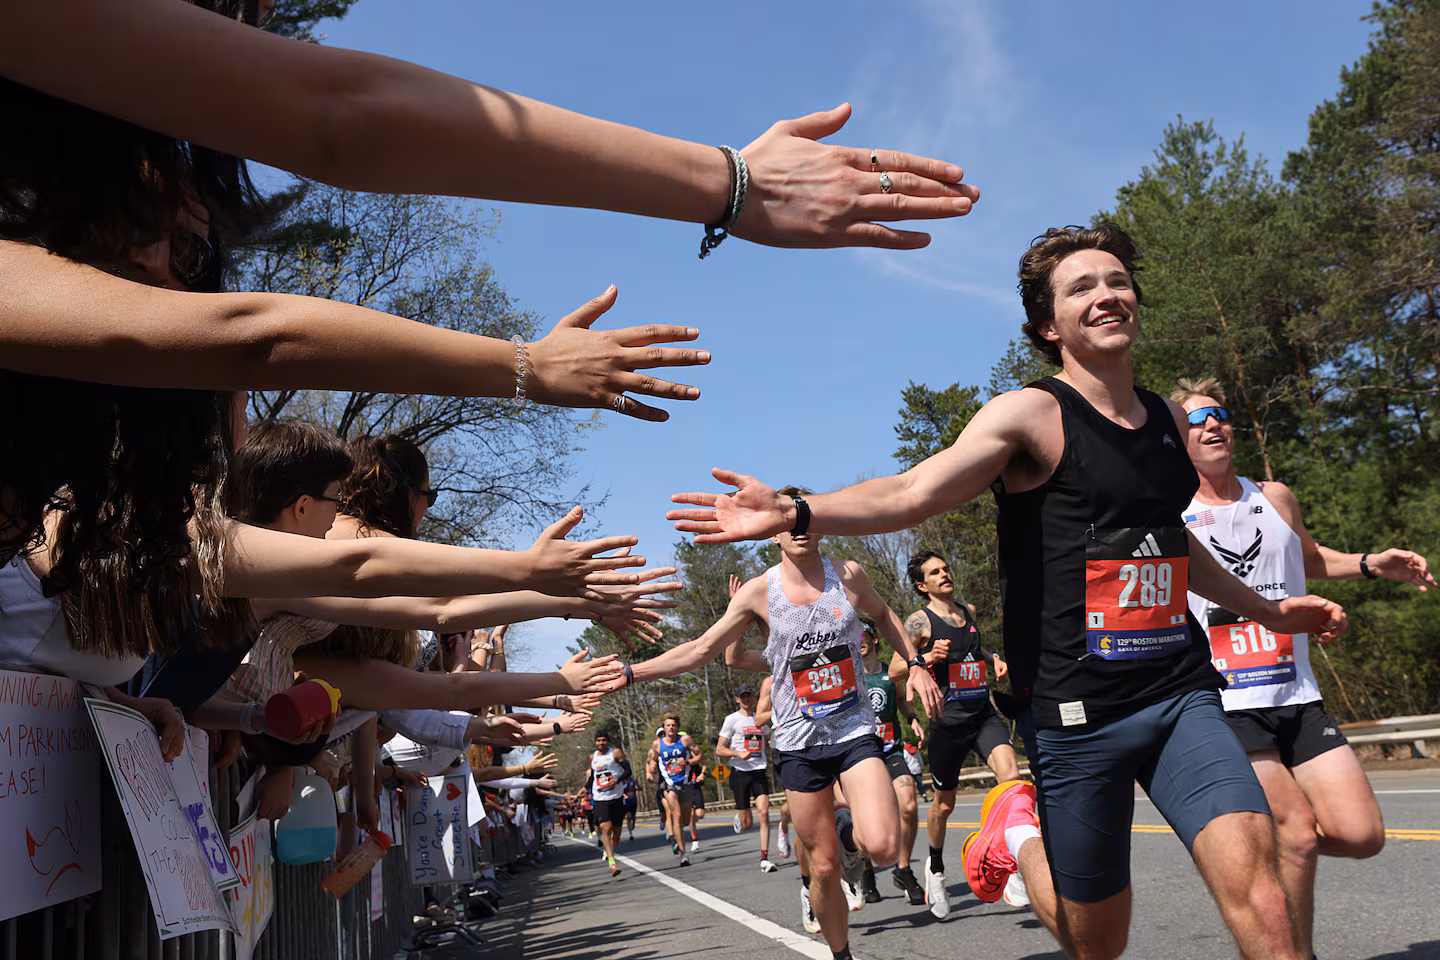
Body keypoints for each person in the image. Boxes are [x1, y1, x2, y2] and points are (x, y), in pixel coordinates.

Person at [665, 224, 1348, 960]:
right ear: (1048, 325)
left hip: (1177, 690)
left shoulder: (1169, 422)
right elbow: (915, 489)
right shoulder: (1029, 415)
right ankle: (1015, 835)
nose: (1106, 294)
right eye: (1081, 287)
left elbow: (1173, 550)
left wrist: (1269, 609)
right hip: (1075, 712)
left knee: (1263, 892)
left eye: (1117, 281)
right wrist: (802, 510)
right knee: (1097, 944)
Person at [1174, 375, 1434, 958]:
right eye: (1196, 419)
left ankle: (1247, 859)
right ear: (1176, 439)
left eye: (1219, 413)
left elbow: (1309, 557)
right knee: (1296, 834)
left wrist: (1372, 563)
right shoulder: (1170, 513)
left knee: (1360, 835)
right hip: (1226, 702)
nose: (1213, 424)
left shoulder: (1275, 496)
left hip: (1296, 692)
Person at [613, 501, 942, 960]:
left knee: (884, 847)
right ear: (773, 533)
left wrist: (919, 663)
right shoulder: (757, 592)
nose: (800, 529)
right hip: (798, 745)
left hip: (852, 732)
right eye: (789, 523)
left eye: (806, 519)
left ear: (820, 526)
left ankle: (847, 828)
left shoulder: (848, 575)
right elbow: (703, 649)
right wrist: (631, 673)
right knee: (823, 867)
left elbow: (885, 617)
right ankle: (841, 953)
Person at [898, 550, 1025, 916]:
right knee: (944, 805)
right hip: (947, 724)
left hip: (982, 714)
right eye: (934, 572)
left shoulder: (967, 610)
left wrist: (992, 658)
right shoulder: (918, 622)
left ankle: (1011, 865)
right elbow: (895, 667)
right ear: (923, 585)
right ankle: (935, 869)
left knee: (1012, 779)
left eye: (946, 567)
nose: (944, 574)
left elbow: (973, 649)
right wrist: (927, 659)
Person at [858, 621, 926, 906]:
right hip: (861, 756)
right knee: (862, 818)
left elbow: (901, 700)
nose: (858, 640)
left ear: (874, 640)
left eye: (863, 635)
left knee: (909, 806)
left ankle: (902, 869)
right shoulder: (849, 676)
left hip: (891, 750)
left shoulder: (890, 672)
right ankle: (865, 871)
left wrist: (912, 718)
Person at [717, 684, 776, 873]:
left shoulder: (759, 719)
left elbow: (768, 738)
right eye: (743, 697)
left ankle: (764, 858)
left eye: (749, 696)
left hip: (759, 770)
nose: (746, 700)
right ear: (737, 699)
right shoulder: (731, 720)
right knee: (747, 823)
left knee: (764, 813)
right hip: (739, 772)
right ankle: (740, 816)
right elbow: (719, 749)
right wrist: (738, 753)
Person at [647, 715, 699, 866]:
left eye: (673, 725)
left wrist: (688, 761)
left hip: (685, 782)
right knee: (675, 815)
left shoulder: (685, 740)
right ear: (664, 727)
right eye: (667, 725)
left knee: (684, 820)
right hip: (668, 784)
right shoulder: (657, 744)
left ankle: (677, 834)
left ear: (677, 727)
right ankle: (684, 854)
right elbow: (652, 758)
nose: (670, 727)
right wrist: (651, 768)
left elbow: (700, 756)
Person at [586, 730, 632, 877]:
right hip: (600, 798)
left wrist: (616, 781)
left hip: (616, 796)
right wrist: (584, 789)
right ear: (595, 742)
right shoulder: (593, 757)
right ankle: (612, 863)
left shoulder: (615, 753)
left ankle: (615, 841)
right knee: (606, 828)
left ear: (608, 741)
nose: (601, 743)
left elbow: (628, 770)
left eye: (603, 740)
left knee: (616, 830)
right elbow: (594, 777)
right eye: (598, 740)